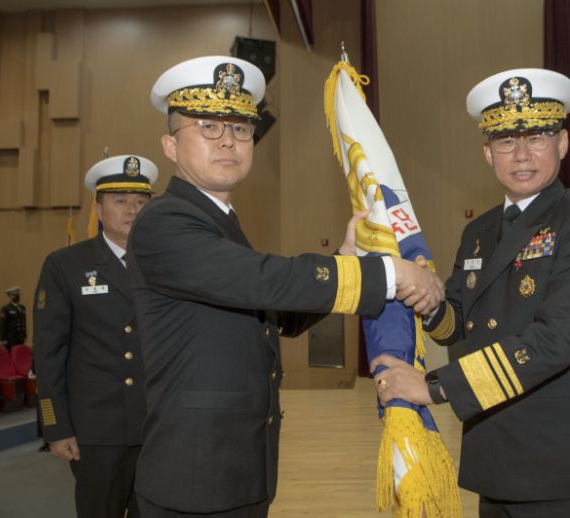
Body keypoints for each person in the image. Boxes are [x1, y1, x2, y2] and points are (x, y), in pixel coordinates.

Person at [128, 56, 444, 517]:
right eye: (208, 128)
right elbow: (262, 280)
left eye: (240, 129)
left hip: (240, 466)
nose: (228, 141)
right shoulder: (164, 221)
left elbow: (279, 315)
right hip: (194, 475)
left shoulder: (220, 223)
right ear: (170, 146)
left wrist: (346, 258)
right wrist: (390, 275)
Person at [371, 68, 570, 517]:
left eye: (537, 138)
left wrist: (434, 387)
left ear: (562, 143)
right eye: (506, 141)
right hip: (493, 452)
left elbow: (554, 343)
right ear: (488, 153)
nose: (522, 155)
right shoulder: (479, 231)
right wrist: (427, 300)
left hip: (560, 463)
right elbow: (457, 322)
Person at [34, 155, 157, 517]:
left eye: (140, 202)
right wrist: (56, 427)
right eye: (120, 201)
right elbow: (49, 352)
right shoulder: (66, 265)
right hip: (97, 432)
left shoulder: (165, 263)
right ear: (99, 208)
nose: (132, 210)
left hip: (156, 427)